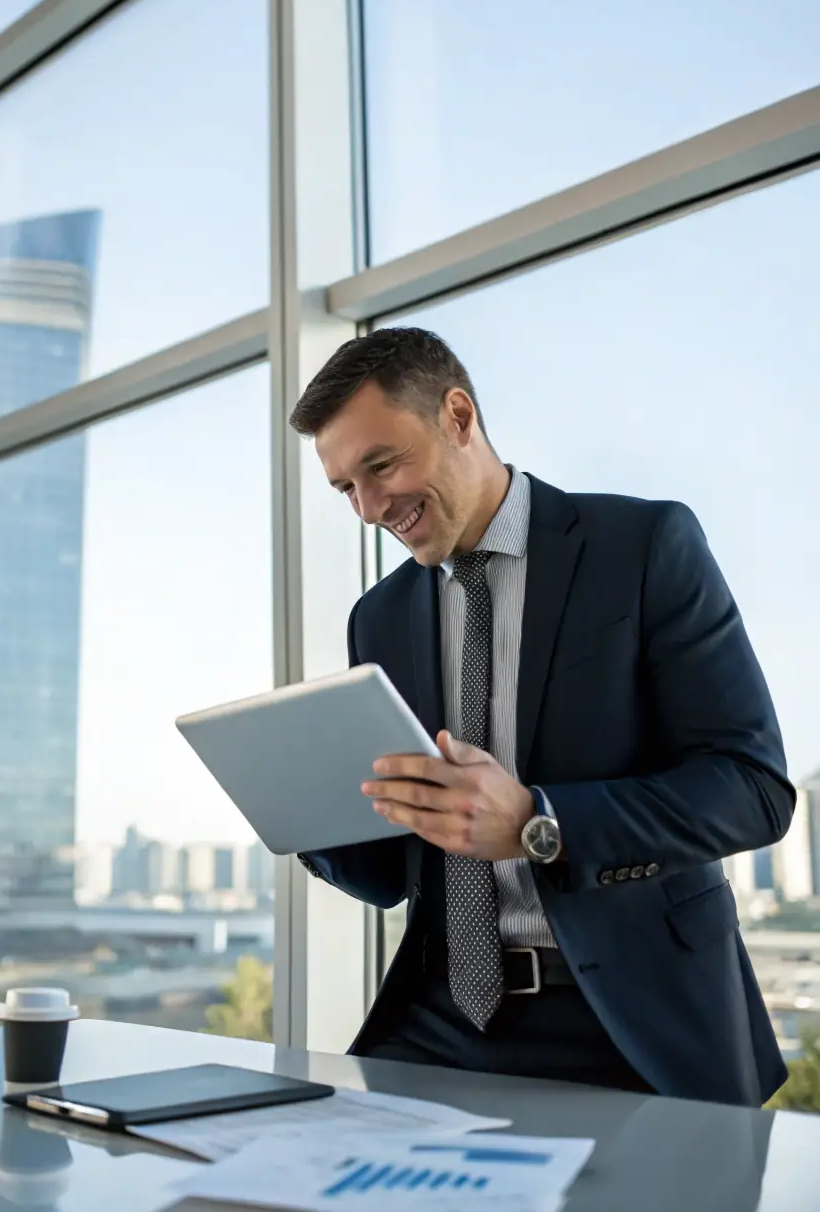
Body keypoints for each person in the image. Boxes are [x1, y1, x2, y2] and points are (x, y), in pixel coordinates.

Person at [290, 326, 794, 1106]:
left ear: (458, 416)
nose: (368, 508)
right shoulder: (379, 617)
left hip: (627, 1020)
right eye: (345, 487)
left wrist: (537, 821)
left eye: (381, 466)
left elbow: (754, 788)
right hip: (438, 1018)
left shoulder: (643, 545)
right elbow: (396, 873)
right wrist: (306, 818)